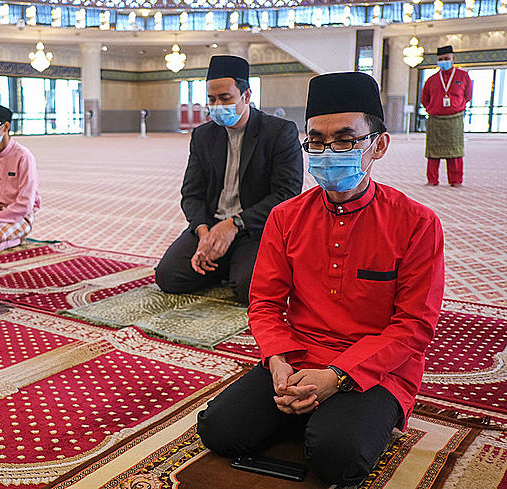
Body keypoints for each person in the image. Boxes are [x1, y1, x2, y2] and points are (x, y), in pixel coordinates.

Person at [196, 72, 445, 486]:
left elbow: (414, 326)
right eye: (316, 140)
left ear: (378, 145)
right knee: (220, 431)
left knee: (337, 458)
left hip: (377, 368)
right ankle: (312, 410)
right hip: (298, 354)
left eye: (346, 140)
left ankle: (326, 419)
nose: (329, 152)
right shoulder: (286, 217)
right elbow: (265, 304)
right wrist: (277, 359)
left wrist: (336, 378)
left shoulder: (416, 223)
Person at [155, 55, 303, 304]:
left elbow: (286, 195)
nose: (217, 106)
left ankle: (233, 264)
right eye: (211, 99)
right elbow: (191, 193)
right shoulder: (203, 136)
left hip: (255, 229)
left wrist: (234, 224)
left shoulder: (279, 132)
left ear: (246, 96)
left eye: (225, 98)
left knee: (250, 291)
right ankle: (224, 261)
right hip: (211, 225)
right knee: (169, 278)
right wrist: (203, 232)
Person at [0, 104, 41, 253]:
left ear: (6, 126)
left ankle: (13, 240)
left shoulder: (23, 157)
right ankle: (9, 241)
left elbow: (25, 204)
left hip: (19, 216)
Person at [420, 45, 473, 187]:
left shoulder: (463, 76)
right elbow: (424, 99)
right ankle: (432, 180)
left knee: (455, 151)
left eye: (446, 59)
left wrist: (455, 106)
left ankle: (456, 180)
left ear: (453, 59)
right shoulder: (431, 79)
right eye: (441, 59)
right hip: (435, 119)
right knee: (433, 151)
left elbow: (468, 96)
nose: (444, 61)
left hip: (454, 119)